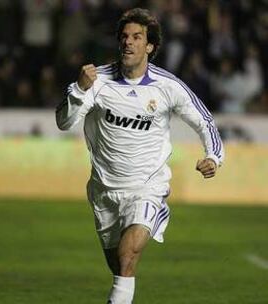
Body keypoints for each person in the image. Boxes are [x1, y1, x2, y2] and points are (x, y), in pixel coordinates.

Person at [56, 8, 224, 304]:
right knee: (120, 266)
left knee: (128, 254)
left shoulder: (168, 85)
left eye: (137, 37)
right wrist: (79, 90)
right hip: (104, 190)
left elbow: (204, 121)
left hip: (147, 186)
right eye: (124, 37)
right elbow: (64, 122)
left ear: (150, 46)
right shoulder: (97, 81)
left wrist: (213, 156)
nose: (128, 43)